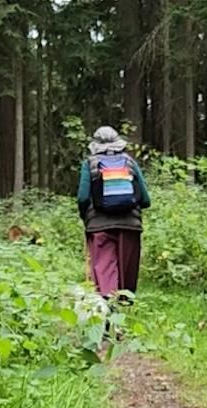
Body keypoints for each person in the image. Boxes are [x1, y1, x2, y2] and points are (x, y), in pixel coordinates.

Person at [76, 126, 151, 304]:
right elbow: (146, 200)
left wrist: (85, 217)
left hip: (99, 227)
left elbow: (83, 198)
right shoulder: (130, 163)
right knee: (126, 273)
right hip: (130, 226)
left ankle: (107, 312)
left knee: (104, 272)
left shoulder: (89, 163)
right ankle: (123, 310)